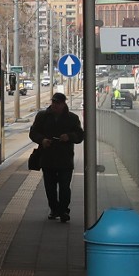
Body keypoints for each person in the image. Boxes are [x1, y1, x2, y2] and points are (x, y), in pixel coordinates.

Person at [29, 93, 84, 222]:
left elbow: (80, 135)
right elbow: (33, 132)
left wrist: (69, 136)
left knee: (65, 187)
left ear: (64, 104)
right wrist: (42, 140)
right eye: (53, 102)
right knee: (50, 187)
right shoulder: (42, 116)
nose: (55, 105)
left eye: (58, 103)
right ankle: (54, 210)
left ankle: (64, 210)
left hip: (65, 159)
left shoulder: (72, 118)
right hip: (47, 158)